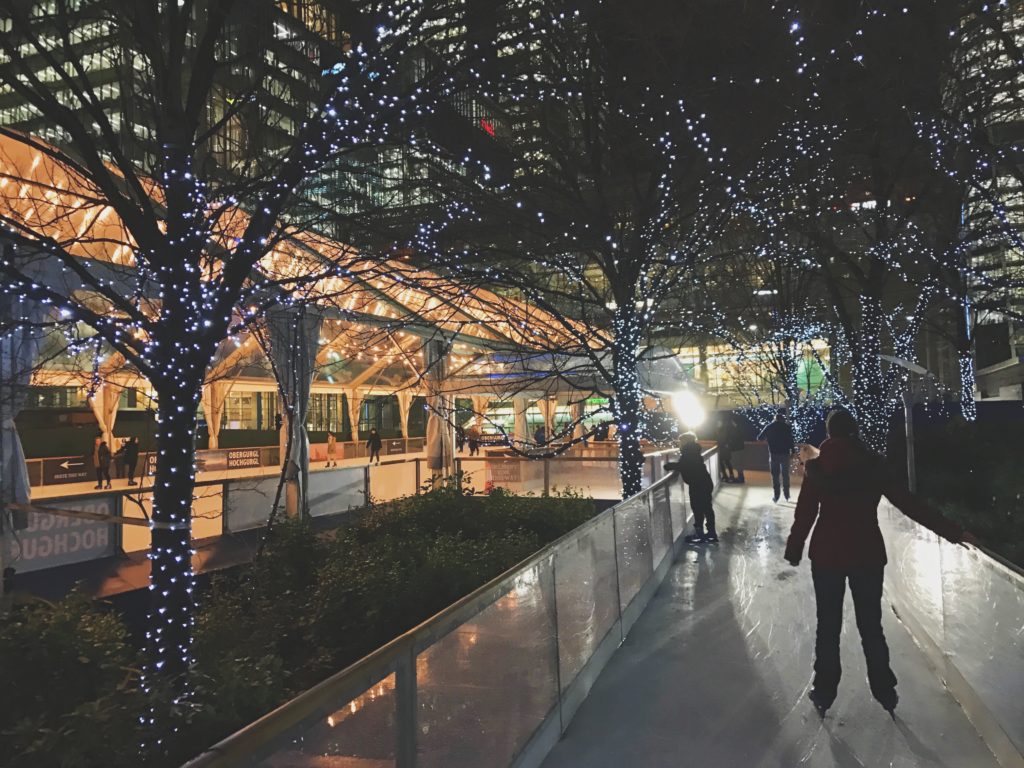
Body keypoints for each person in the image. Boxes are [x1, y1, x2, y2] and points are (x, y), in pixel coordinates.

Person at [784, 409, 975, 717]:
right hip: (866, 554)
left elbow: (805, 513)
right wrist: (954, 532)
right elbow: (910, 504)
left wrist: (794, 549)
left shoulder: (817, 468)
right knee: (871, 624)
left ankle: (824, 691)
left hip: (827, 555)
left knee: (828, 625)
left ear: (830, 434)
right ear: (855, 431)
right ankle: (885, 689)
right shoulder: (873, 465)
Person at [664, 431, 718, 543]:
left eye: (681, 441)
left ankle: (700, 534)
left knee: (698, 509)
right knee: (707, 508)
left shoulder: (689, 452)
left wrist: (669, 466)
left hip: (698, 484)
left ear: (686, 441)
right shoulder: (693, 450)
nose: (680, 443)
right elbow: (687, 465)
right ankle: (711, 533)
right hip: (703, 482)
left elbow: (684, 465)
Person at [758, 411, 795, 502]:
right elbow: (791, 440)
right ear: (782, 419)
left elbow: (759, 438)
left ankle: (776, 496)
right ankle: (787, 495)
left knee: (775, 475)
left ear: (775, 419)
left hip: (774, 454)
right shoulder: (786, 427)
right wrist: (793, 451)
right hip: (785, 454)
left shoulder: (769, 427)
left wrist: (769, 439)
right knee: (785, 475)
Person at [716, 415, 736, 483]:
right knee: (722, 463)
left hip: (724, 448)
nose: (718, 424)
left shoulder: (724, 430)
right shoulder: (720, 430)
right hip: (722, 448)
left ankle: (730, 476)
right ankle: (725, 476)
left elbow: (724, 439)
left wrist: (725, 444)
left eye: (719, 422)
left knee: (727, 462)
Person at [727, 415, 746, 483]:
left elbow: (733, 439)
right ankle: (741, 477)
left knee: (738, 464)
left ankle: (740, 478)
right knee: (740, 463)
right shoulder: (740, 429)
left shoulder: (735, 430)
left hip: (736, 449)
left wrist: (729, 445)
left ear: (734, 422)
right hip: (740, 448)